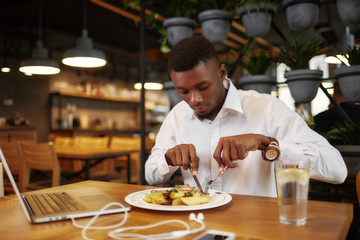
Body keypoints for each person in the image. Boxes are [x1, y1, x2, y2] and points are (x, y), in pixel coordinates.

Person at [145, 36, 347, 197]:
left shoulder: (267, 109)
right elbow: (151, 175)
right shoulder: (177, 116)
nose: (194, 99)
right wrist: (168, 159)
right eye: (183, 91)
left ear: (222, 72)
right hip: (198, 228)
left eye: (203, 87)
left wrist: (267, 144)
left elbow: (337, 170)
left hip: (256, 229)